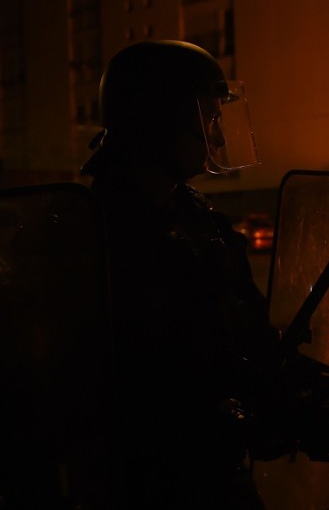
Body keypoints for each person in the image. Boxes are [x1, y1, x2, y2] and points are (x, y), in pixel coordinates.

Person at [81, 40, 277, 509]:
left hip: (215, 471)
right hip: (158, 487)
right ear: (158, 122)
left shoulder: (190, 212)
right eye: (207, 121)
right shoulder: (97, 232)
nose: (219, 138)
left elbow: (237, 323)